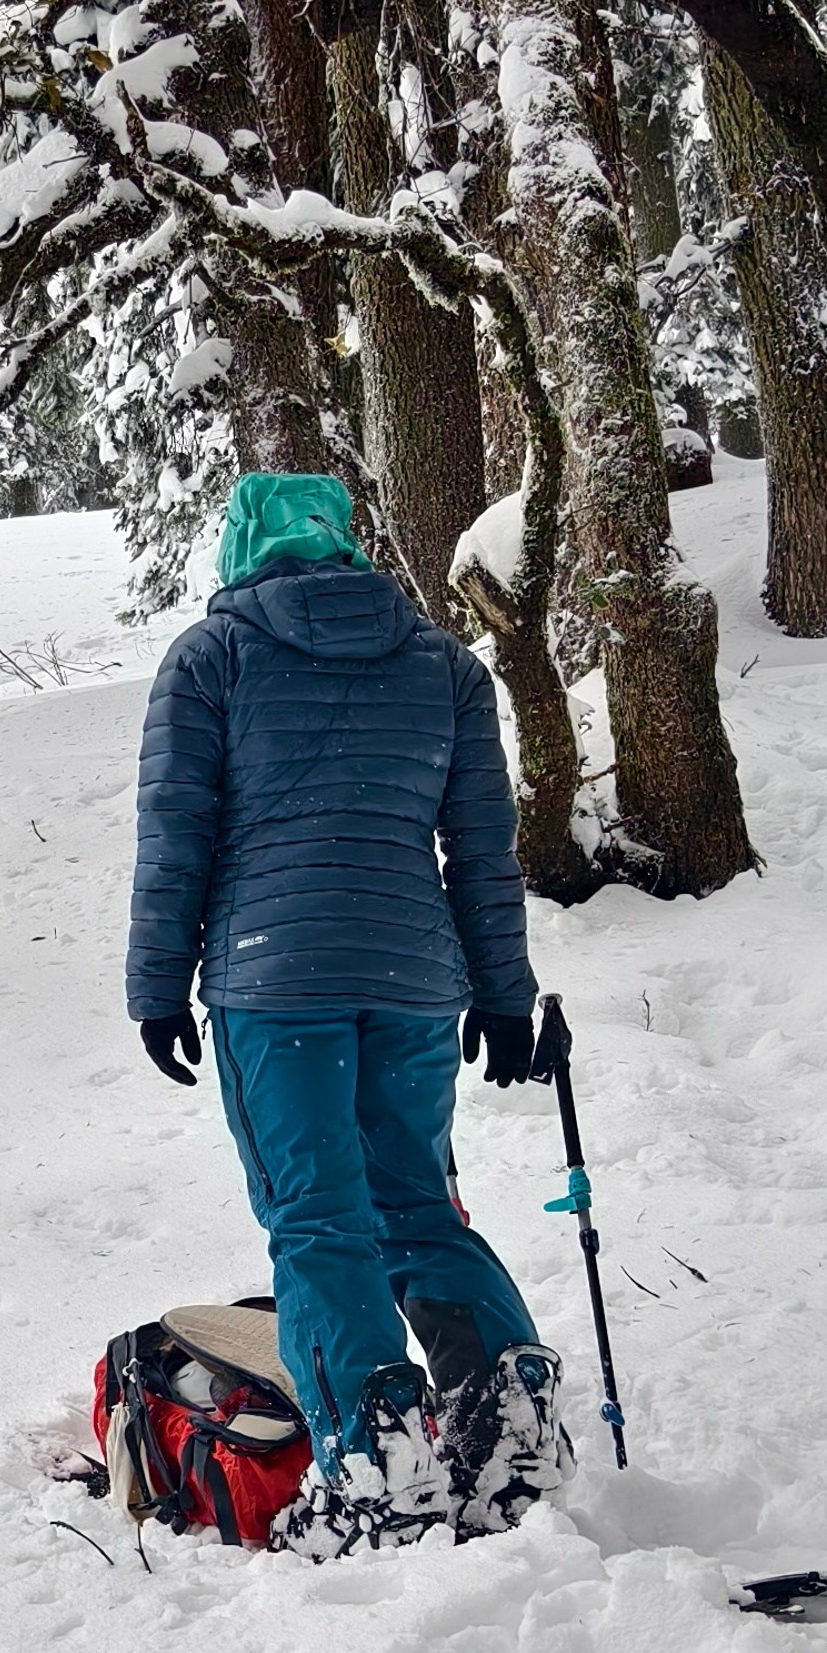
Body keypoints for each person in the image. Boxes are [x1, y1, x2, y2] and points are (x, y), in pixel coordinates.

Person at [125, 472, 567, 1558]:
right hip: (412, 980)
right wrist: (502, 993)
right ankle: (507, 1418)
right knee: (416, 1205)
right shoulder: (442, 665)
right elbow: (482, 849)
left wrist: (157, 989)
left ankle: (376, 1466)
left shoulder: (212, 658)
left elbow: (176, 837)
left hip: (274, 985)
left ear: (244, 547)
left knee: (318, 1219)